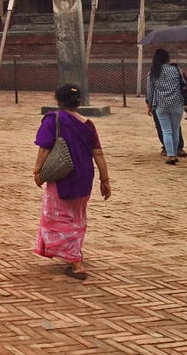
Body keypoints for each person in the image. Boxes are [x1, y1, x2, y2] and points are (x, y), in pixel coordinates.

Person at [33, 84, 111, 280]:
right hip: (84, 176)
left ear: (58, 101)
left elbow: (44, 148)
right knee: (77, 217)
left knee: (58, 217)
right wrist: (105, 180)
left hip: (62, 176)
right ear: (79, 102)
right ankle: (74, 252)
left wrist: (38, 171)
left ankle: (76, 262)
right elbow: (98, 153)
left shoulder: (54, 120)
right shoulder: (88, 124)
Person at [146, 48, 187, 165]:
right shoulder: (176, 69)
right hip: (177, 103)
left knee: (166, 131)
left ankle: (171, 155)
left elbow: (150, 91)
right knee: (175, 130)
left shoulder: (152, 72)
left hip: (161, 104)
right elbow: (183, 84)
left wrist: (149, 105)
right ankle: (175, 151)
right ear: (167, 58)